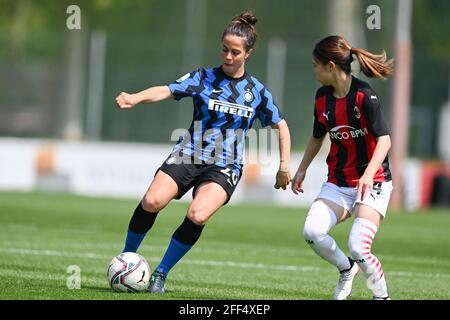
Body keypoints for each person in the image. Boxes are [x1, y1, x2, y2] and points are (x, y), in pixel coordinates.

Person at [115, 12, 291, 293]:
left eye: (235, 52)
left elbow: (281, 126)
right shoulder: (203, 78)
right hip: (189, 154)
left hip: (225, 166)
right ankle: (126, 259)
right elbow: (166, 90)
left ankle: (161, 273)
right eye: (225, 49)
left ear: (248, 53)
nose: (228, 56)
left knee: (197, 215)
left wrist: (284, 166)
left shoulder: (256, 91)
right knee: (152, 200)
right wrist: (135, 98)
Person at [291, 35, 394, 300]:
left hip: (374, 182)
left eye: (316, 65)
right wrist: (301, 169)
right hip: (338, 182)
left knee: (359, 247)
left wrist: (369, 174)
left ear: (330, 66)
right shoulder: (322, 98)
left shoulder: (365, 96)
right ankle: (346, 269)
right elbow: (317, 136)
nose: (314, 71)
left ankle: (381, 297)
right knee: (312, 231)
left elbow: (385, 139)